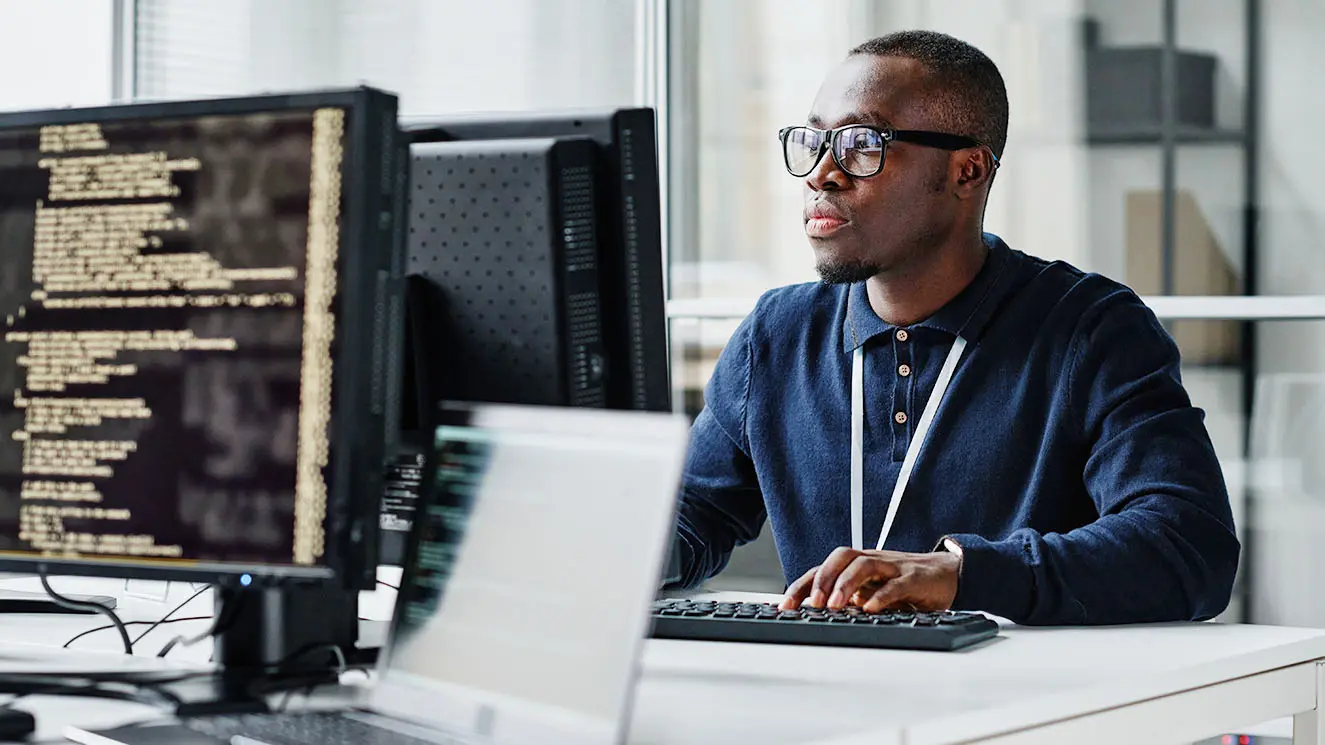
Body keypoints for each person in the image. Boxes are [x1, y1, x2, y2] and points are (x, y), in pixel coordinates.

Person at [662, 30, 1240, 626]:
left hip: (1022, 709)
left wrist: (963, 576)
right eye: (814, 141)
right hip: (828, 701)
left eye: (863, 143)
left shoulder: (1091, 330)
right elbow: (690, 519)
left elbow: (1189, 544)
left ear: (968, 171)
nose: (822, 174)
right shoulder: (776, 336)